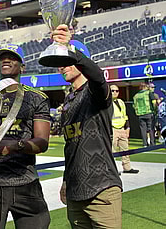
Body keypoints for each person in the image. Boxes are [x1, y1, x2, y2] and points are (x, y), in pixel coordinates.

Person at [0, 44, 51, 229]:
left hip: (26, 181)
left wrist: (15, 145)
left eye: (12, 57)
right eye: (2, 58)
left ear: (22, 66)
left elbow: (42, 142)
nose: (6, 60)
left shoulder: (36, 98)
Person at [57, 34, 122, 229]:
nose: (62, 66)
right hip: (75, 191)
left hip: (101, 188)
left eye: (68, 61)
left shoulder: (95, 92)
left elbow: (98, 77)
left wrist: (69, 47)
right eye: (61, 62)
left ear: (81, 60)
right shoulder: (68, 101)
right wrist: (66, 181)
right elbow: (71, 147)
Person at [110, 84, 139, 174]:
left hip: (122, 128)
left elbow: (125, 116)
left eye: (117, 91)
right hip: (113, 128)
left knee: (125, 149)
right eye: (113, 91)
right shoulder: (107, 104)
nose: (115, 92)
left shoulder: (121, 102)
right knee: (112, 150)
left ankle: (127, 167)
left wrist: (128, 128)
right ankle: (112, 169)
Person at [133, 83, 156, 147]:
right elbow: (154, 102)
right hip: (149, 113)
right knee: (151, 129)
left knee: (143, 130)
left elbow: (134, 106)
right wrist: (155, 110)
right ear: (145, 87)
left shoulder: (136, 95)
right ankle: (152, 144)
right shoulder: (149, 93)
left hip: (140, 115)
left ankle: (145, 144)